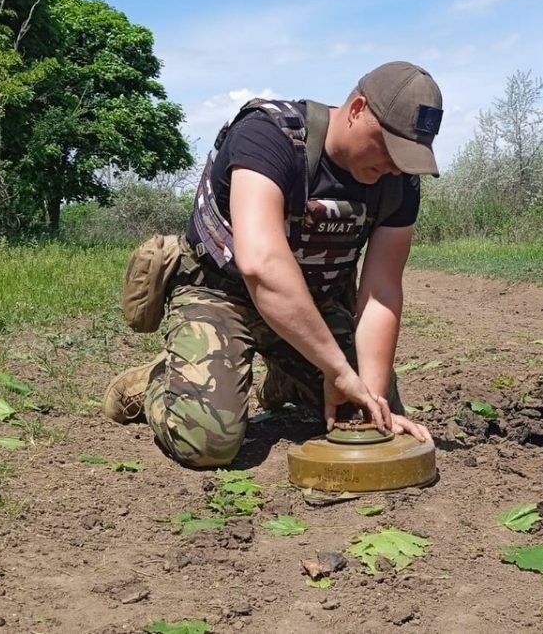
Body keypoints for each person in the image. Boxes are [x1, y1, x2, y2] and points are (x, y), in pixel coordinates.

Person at [103, 61, 441, 466]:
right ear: (356, 110)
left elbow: (381, 291)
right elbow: (261, 265)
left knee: (362, 409)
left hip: (308, 308)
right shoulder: (269, 135)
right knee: (208, 442)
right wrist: (338, 370)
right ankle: (159, 383)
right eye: (388, 147)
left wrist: (371, 396)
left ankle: (286, 378)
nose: (394, 165)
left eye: (407, 156)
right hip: (220, 295)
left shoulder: (399, 180)